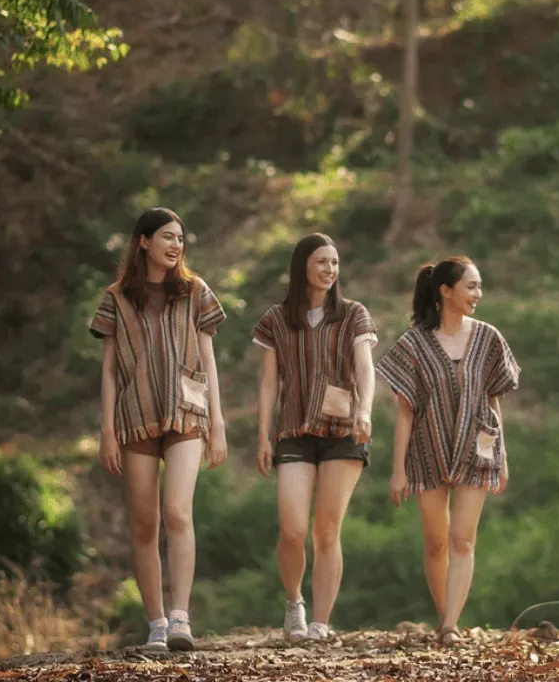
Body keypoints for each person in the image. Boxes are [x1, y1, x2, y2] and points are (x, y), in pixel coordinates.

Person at [91, 207, 229, 652]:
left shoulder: (194, 291)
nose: (176, 245)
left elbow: (208, 359)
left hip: (187, 412)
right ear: (144, 242)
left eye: (181, 238)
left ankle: (181, 618)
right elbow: (109, 370)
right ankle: (155, 624)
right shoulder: (116, 297)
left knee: (178, 513)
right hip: (135, 415)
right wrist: (107, 430)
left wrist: (218, 423)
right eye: (168, 237)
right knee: (145, 523)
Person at [379, 256, 521, 647]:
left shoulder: (489, 338)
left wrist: (502, 458)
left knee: (463, 539)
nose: (478, 294)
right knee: (436, 541)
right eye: (471, 286)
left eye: (479, 286)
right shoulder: (414, 344)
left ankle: (450, 626)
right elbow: (405, 412)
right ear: (445, 291)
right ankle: (445, 614)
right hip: (426, 452)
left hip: (479, 452)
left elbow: (494, 401)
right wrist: (398, 470)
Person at [251, 233, 378, 641]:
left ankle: (322, 621)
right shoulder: (276, 319)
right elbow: (270, 384)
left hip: (343, 432)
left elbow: (365, 369)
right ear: (303, 265)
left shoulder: (353, 314)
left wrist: (364, 410)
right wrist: (262, 437)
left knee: (327, 530)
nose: (330, 270)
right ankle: (294, 604)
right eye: (322, 262)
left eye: (335, 263)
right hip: (293, 430)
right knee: (292, 529)